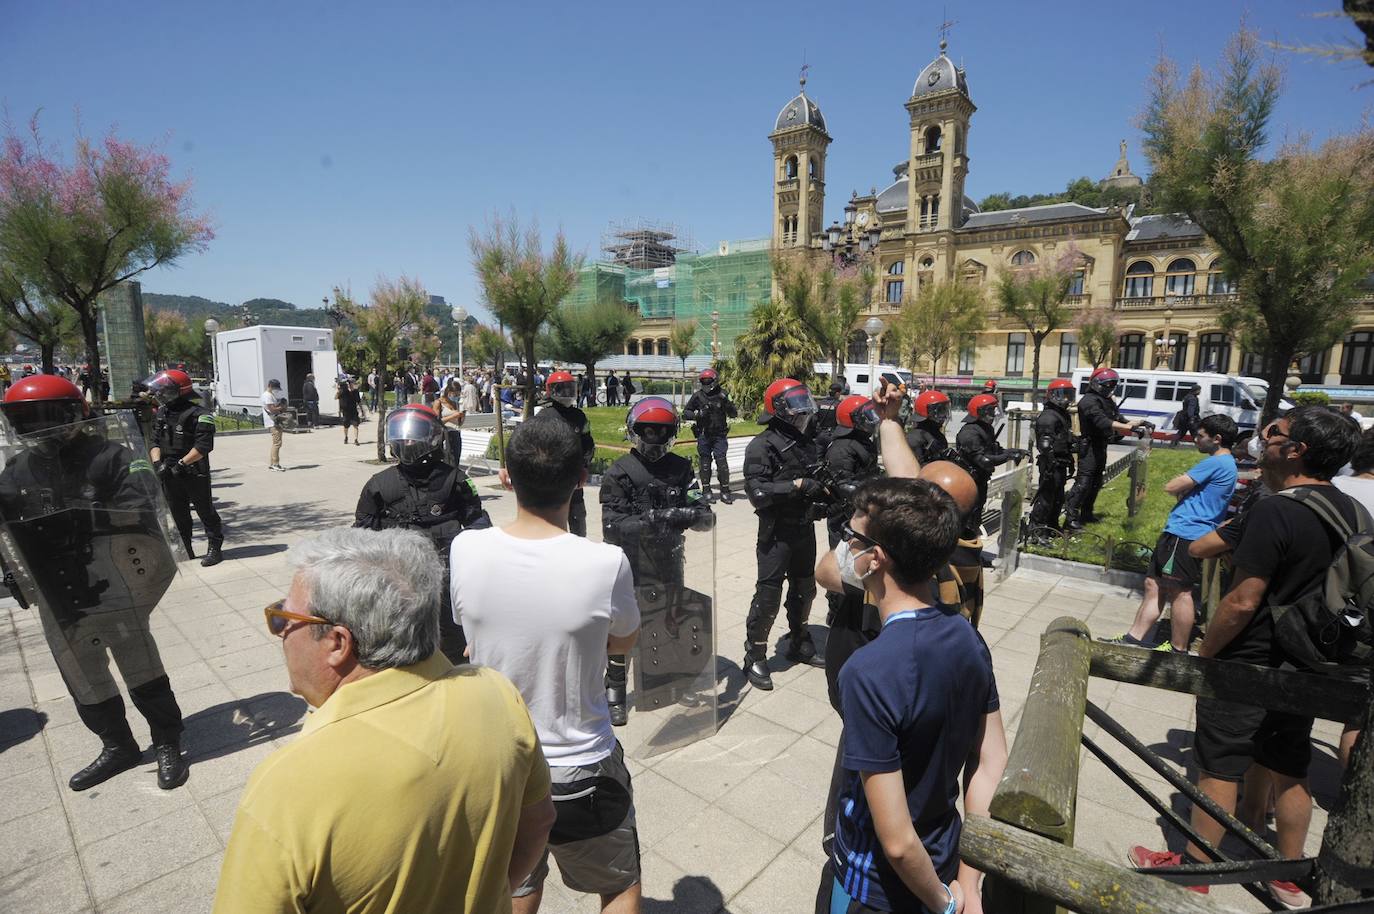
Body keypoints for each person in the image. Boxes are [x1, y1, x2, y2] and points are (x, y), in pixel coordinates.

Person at [213, 528, 554, 914]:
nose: (280, 631)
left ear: (338, 644)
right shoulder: (497, 694)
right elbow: (539, 823)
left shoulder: (285, 787)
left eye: (283, 616)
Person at [1128, 407, 1360, 909]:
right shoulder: (1351, 511)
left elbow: (1242, 600)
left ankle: (1197, 869)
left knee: (1218, 764)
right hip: (1310, 662)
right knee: (1289, 764)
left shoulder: (1276, 508)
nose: (1262, 441)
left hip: (1249, 660)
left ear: (1295, 449)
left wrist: (1206, 656)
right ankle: (1288, 876)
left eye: (1272, 435)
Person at [451, 414, 643, 914]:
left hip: (501, 760)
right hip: (583, 763)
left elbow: (470, 635)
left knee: (515, 884)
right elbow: (624, 642)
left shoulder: (466, 549)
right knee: (619, 887)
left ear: (505, 476)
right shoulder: (606, 562)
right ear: (581, 480)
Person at [824, 477, 1005, 914]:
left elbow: (899, 844)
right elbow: (990, 760)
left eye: (851, 538)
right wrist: (968, 880)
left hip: (875, 888)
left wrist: (944, 904)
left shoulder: (868, 673)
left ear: (874, 559)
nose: (845, 547)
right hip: (944, 857)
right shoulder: (967, 636)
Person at [0, 375, 189, 791]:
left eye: (47, 417)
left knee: (141, 667)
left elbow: (141, 508)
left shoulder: (110, 456)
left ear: (75, 415)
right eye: (25, 420)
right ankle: (117, 745)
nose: (38, 428)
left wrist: (76, 516)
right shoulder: (17, 469)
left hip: (113, 581)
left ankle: (166, 741)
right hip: (56, 591)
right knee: (82, 675)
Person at [600, 397, 714, 727]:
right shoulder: (621, 471)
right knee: (624, 624)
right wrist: (658, 518)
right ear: (636, 433)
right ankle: (616, 689)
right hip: (631, 562)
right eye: (648, 431)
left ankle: (669, 676)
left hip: (670, 558)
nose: (654, 439)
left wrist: (693, 513)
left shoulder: (681, 468)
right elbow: (612, 527)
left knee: (670, 617)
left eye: (661, 432)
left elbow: (703, 513)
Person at [355, 404, 490, 665]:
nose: (407, 441)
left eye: (413, 433)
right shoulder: (379, 485)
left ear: (433, 437)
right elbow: (361, 539)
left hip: (446, 584)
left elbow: (477, 525)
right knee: (400, 647)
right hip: (397, 585)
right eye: (402, 433)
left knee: (453, 648)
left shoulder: (455, 481)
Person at [1103, 414, 1238, 652]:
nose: (1195, 439)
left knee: (1179, 591)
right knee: (1153, 584)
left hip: (1185, 533)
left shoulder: (1216, 462)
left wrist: (1183, 486)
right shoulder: (1226, 463)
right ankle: (1134, 639)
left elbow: (1172, 486)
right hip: (1179, 531)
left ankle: (1177, 650)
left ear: (1217, 439)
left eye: (1200, 436)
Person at [742, 377, 826, 690]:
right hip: (776, 532)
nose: (802, 410)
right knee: (768, 595)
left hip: (804, 527)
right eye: (795, 403)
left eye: (804, 401)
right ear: (778, 409)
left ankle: (799, 639)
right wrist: (796, 486)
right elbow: (758, 493)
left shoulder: (807, 442)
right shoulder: (761, 446)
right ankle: (756, 654)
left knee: (805, 589)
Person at [146, 369, 226, 567]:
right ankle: (186, 548)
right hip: (168, 469)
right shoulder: (163, 412)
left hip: (193, 469)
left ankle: (215, 548)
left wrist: (181, 464)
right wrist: (158, 464)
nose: (160, 394)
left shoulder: (200, 414)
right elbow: (154, 441)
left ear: (178, 391)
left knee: (205, 510)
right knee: (177, 512)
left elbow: (203, 447)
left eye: (164, 391)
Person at [1063, 367, 1146, 530]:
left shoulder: (1107, 400)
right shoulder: (1088, 401)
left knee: (1096, 481)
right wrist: (1128, 428)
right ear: (1096, 384)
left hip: (1101, 444)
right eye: (1107, 384)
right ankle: (1070, 518)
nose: (1110, 388)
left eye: (1112, 385)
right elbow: (1102, 421)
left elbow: (1118, 419)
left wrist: (1139, 423)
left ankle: (1086, 513)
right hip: (1089, 446)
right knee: (1084, 482)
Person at [954, 394, 1027, 540]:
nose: (993, 414)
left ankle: (971, 547)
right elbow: (984, 460)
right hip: (969, 482)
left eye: (994, 410)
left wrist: (1014, 451)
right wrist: (1009, 456)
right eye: (990, 411)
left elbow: (995, 451)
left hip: (981, 480)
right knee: (967, 519)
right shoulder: (969, 432)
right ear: (980, 412)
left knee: (976, 517)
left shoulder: (985, 429)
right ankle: (963, 552)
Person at [541, 370, 595, 536]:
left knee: (578, 516)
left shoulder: (579, 416)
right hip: (551, 478)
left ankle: (580, 547)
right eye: (561, 389)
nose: (567, 393)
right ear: (551, 390)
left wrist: (585, 467)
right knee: (552, 519)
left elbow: (588, 443)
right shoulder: (543, 416)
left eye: (570, 388)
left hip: (575, 476)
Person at [1027, 379, 1078, 535]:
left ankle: (1051, 526)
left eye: (1069, 395)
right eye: (1064, 395)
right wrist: (1051, 463)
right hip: (1051, 463)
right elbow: (1044, 445)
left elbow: (1064, 439)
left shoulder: (1061, 415)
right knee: (1046, 499)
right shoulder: (1049, 417)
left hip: (1060, 461)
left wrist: (1070, 460)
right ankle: (1037, 530)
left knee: (1057, 498)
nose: (1067, 399)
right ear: (1053, 396)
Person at [683, 368, 739, 504]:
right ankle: (706, 491)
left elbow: (734, 414)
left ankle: (725, 491)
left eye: (708, 381)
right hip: (703, 434)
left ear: (715, 381)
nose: (706, 384)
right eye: (704, 381)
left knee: (722, 463)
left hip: (719, 435)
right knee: (705, 463)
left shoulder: (723, 394)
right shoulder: (698, 396)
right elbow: (685, 413)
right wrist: (697, 414)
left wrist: (728, 403)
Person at [905, 389, 953, 465]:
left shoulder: (938, 436)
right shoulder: (914, 438)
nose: (944, 415)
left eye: (945, 410)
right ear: (928, 412)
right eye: (941, 411)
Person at [436, 377, 466, 466]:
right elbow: (436, 422)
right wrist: (453, 416)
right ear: (449, 392)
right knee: (447, 462)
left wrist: (462, 417)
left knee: (455, 462)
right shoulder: (439, 403)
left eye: (458, 395)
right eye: (455, 395)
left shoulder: (455, 404)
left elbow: (458, 423)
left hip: (456, 434)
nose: (456, 397)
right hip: (445, 435)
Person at [261, 378, 287, 471]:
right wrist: (282, 407)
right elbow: (271, 409)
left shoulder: (269, 394)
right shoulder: (267, 395)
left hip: (273, 421)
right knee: (277, 443)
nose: (277, 390)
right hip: (273, 422)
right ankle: (275, 464)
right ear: (271, 386)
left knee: (276, 443)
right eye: (276, 388)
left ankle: (273, 463)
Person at [1170, 384, 1201, 448]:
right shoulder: (1193, 399)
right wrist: (1192, 419)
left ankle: (1172, 445)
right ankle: (1199, 447)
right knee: (1195, 433)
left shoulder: (1187, 396)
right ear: (1196, 390)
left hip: (1184, 418)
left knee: (1181, 433)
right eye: (1199, 390)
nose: (1200, 392)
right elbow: (1191, 409)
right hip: (1190, 419)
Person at [338, 377, 363, 445]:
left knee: (356, 425)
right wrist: (339, 390)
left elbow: (359, 401)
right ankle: (346, 437)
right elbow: (337, 398)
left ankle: (356, 439)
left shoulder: (355, 392)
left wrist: (362, 410)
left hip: (353, 411)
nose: (349, 384)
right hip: (346, 411)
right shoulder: (343, 391)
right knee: (346, 426)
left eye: (351, 383)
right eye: (348, 383)